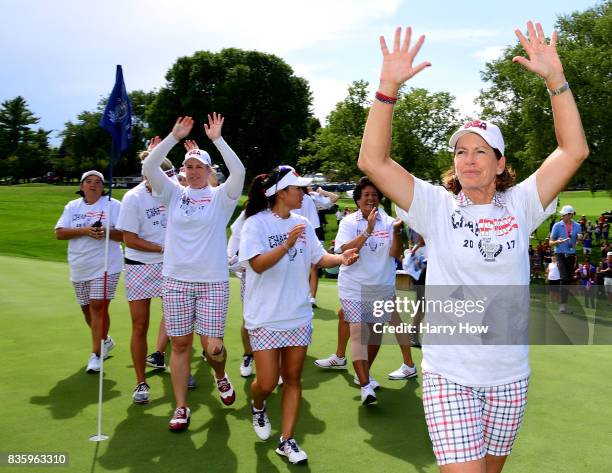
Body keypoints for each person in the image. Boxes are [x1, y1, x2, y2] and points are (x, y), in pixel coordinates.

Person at [358, 23, 588, 471]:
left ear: (500, 164)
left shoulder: (521, 204)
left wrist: (555, 81)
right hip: (450, 373)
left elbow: (572, 150)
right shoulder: (435, 206)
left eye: (481, 151)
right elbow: (373, 162)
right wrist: (387, 89)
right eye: (461, 150)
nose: (468, 158)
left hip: (509, 376)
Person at [239, 166, 357, 465]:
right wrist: (286, 244)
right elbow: (257, 265)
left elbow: (319, 258)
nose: (303, 193)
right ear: (281, 193)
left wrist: (341, 258)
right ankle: (257, 405)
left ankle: (287, 439)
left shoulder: (303, 222)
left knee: (292, 378)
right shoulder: (254, 224)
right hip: (265, 316)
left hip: (298, 315)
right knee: (266, 383)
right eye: (297, 189)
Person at [142, 113, 245, 431]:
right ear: (183, 170)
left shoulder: (221, 199)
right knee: (181, 343)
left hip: (212, 282)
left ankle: (219, 374)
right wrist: (173, 138)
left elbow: (239, 171)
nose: (194, 171)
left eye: (200, 166)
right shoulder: (173, 194)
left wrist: (217, 140)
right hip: (175, 281)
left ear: (209, 170)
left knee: (213, 347)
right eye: (190, 166)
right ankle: (181, 408)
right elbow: (149, 169)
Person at [334, 177, 416, 404]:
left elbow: (395, 254)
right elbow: (344, 250)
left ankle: (365, 375)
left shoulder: (389, 222)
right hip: (353, 286)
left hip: (381, 286)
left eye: (374, 195)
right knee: (359, 333)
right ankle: (364, 386)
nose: (370, 198)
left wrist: (398, 232)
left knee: (375, 336)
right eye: (366, 195)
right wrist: (368, 230)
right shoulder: (349, 222)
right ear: (358, 199)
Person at [117, 142, 175, 403]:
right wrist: (162, 248)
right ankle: (141, 383)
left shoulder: (171, 192)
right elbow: (129, 239)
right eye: (152, 179)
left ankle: (177, 370)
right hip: (140, 266)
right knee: (140, 325)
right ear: (145, 176)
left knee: (177, 321)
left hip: (170, 266)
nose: (157, 184)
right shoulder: (133, 198)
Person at [55, 170, 123, 373]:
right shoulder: (72, 207)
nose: (93, 185)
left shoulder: (113, 205)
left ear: (103, 188)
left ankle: (96, 355)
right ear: (82, 186)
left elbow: (125, 235)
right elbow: (59, 233)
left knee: (98, 307)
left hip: (106, 264)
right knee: (87, 310)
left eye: (98, 182)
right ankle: (106, 340)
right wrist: (85, 230)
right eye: (88, 181)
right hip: (79, 265)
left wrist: (106, 232)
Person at [550, 205, 581, 313]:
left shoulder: (577, 226)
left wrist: (579, 240)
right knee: (564, 277)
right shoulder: (557, 226)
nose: (562, 216)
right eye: (562, 214)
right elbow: (550, 242)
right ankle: (562, 305)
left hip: (571, 254)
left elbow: (578, 241)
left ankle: (564, 302)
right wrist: (557, 242)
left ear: (571, 215)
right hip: (560, 254)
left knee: (569, 279)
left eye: (565, 214)